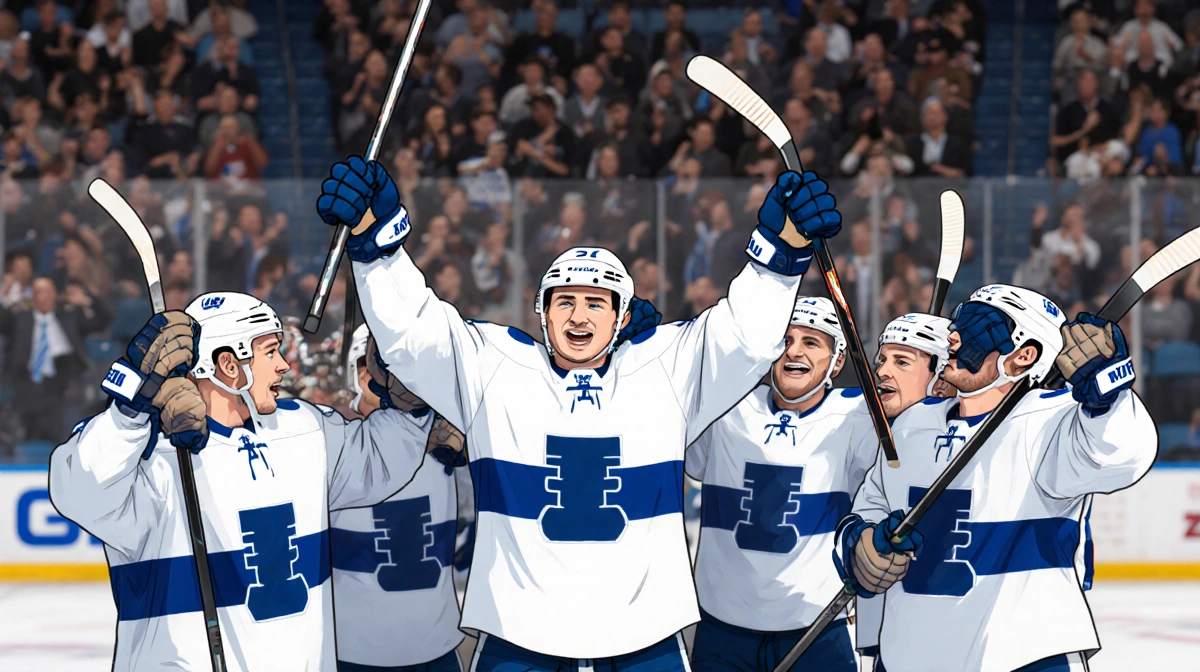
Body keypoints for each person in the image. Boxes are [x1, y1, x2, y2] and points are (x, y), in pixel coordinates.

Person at [316, 157, 843, 669]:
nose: (579, 315)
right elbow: (413, 333)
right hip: (520, 634)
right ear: (542, 312)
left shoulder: (665, 369)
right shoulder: (493, 369)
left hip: (643, 635)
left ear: (620, 316)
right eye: (565, 301)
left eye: (597, 302)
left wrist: (780, 253)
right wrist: (376, 241)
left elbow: (745, 335)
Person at [48, 293, 443, 670]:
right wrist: (131, 410)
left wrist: (410, 405)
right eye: (270, 351)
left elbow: (378, 461)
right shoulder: (149, 453)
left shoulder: (303, 428)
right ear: (228, 365)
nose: (284, 366)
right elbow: (79, 491)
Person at [835, 284, 1157, 672]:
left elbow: (1123, 455)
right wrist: (861, 545)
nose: (952, 334)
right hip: (908, 657)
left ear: (1023, 355)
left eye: (975, 324)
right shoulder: (914, 424)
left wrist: (1107, 394)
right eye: (957, 321)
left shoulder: (1055, 420)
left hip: (1024, 658)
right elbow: (868, 509)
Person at [685, 307, 956, 672]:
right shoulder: (724, 405)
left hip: (816, 631)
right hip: (721, 629)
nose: (794, 351)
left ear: (838, 359)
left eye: (811, 342)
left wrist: (940, 367)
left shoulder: (859, 415)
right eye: (785, 341)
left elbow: (921, 422)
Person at [331, 324, 470, 672]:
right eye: (398, 369)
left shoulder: (449, 436)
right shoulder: (327, 442)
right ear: (364, 374)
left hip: (437, 650)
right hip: (357, 654)